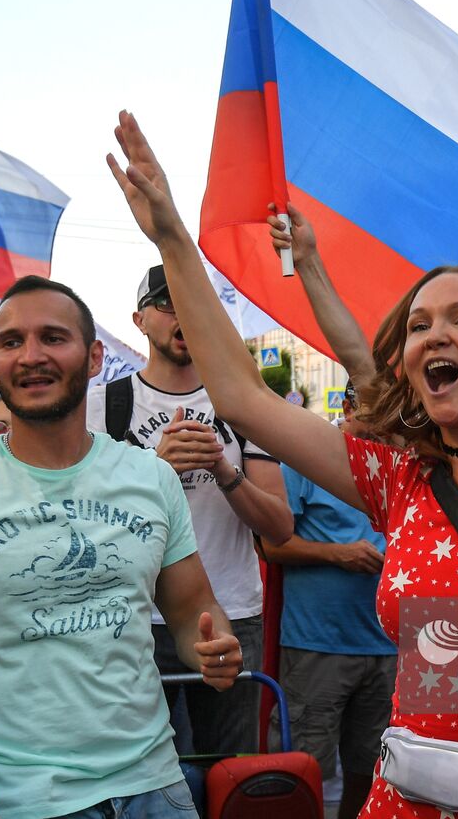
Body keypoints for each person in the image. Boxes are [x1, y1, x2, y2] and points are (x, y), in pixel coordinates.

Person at [110, 109, 458, 818]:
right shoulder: (402, 479)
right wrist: (172, 235)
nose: (433, 334)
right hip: (402, 803)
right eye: (418, 324)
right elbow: (237, 392)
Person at [0, 275, 241, 819]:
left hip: (155, 787)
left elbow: (191, 612)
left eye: (53, 337)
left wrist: (214, 646)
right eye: (11, 342)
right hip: (10, 801)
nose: (31, 356)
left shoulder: (150, 478)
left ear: (92, 358)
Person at [86, 264, 292, 756]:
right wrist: (157, 471)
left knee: (226, 767)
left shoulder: (245, 404)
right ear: (140, 321)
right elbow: (82, 524)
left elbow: (280, 528)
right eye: (166, 303)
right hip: (129, 616)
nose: (181, 314)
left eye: (191, 302)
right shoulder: (102, 406)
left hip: (230, 614)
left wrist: (224, 471)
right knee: (134, 765)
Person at [259, 382, 397, 819]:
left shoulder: (402, 461)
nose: (382, 429)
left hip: (390, 646)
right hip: (317, 644)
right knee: (304, 767)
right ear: (348, 407)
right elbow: (273, 546)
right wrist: (339, 554)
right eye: (374, 416)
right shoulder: (309, 459)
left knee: (376, 768)